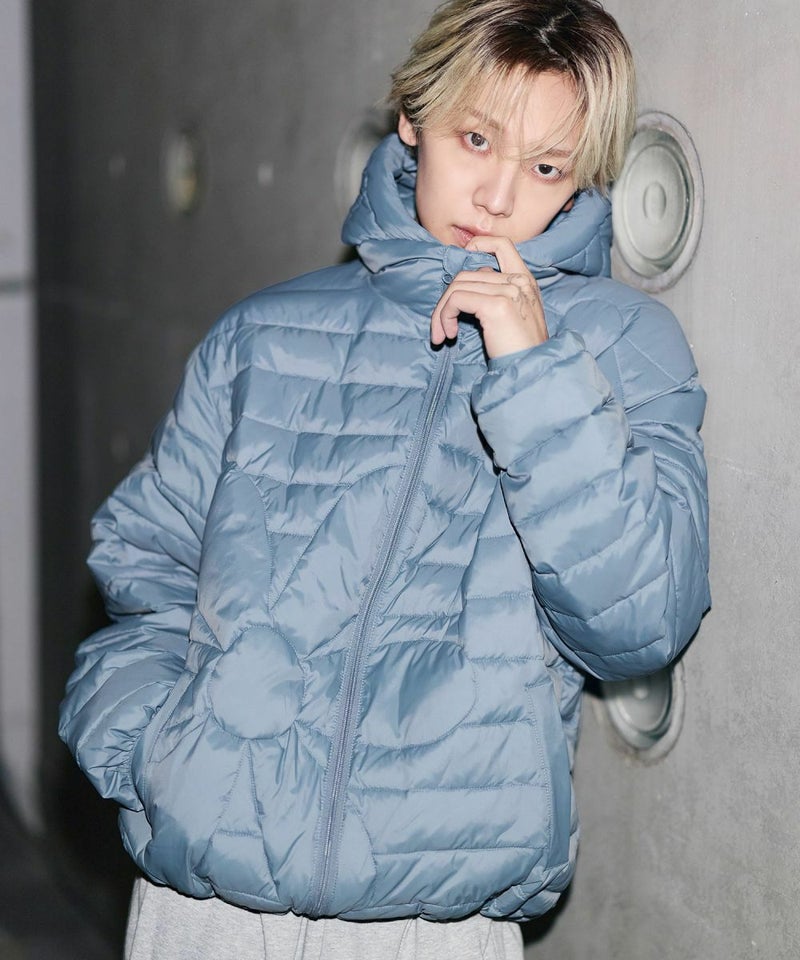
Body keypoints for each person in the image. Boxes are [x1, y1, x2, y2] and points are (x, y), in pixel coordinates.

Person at [59, 0, 711, 957]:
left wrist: (533, 373)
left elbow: (640, 624)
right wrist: (157, 757)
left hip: (434, 917)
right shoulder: (267, 334)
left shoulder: (622, 349)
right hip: (209, 896)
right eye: (476, 139)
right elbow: (146, 567)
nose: (497, 195)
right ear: (412, 118)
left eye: (545, 167)